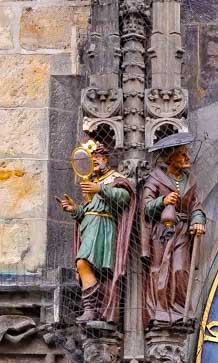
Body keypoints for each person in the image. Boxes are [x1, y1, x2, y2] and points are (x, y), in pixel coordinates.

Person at [57, 137, 136, 326]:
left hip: (103, 227)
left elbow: (124, 197)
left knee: (83, 263)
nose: (94, 162)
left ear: (105, 159)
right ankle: (92, 309)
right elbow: (87, 211)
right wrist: (74, 210)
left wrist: (100, 188)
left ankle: (92, 308)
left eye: (96, 158)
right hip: (89, 227)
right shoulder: (91, 182)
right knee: (84, 265)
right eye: (90, 160)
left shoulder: (115, 179)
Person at [141, 131, 206, 325]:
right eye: (182, 154)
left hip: (183, 231)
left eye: (186, 153)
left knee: (180, 269)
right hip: (162, 231)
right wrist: (163, 201)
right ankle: (160, 310)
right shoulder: (156, 178)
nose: (187, 158)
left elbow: (196, 205)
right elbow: (146, 206)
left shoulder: (190, 180)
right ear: (170, 158)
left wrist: (197, 220)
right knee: (161, 268)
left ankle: (179, 309)